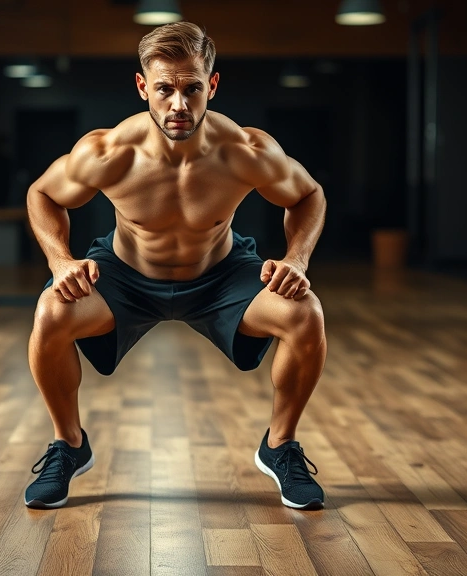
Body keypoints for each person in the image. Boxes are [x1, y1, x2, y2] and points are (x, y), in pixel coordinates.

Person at [24, 22, 328, 510]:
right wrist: (61, 261)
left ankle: (280, 446)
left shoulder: (245, 151)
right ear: (144, 86)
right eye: (165, 89)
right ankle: (69, 445)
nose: (179, 104)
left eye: (191, 88)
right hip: (125, 277)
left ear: (212, 84)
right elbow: (42, 194)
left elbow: (309, 194)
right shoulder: (108, 152)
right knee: (51, 313)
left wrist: (297, 258)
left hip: (221, 275)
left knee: (304, 312)